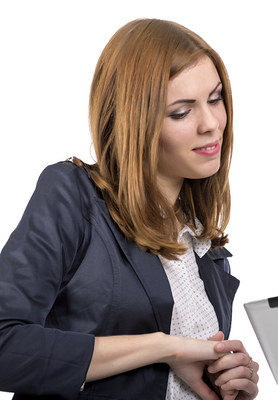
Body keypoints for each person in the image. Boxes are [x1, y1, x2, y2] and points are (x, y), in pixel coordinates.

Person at [0, 19, 259, 400]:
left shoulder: (205, 244)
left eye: (215, 99)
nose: (212, 124)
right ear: (134, 121)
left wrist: (230, 385)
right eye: (181, 112)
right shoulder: (73, 196)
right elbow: (5, 345)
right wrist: (163, 347)